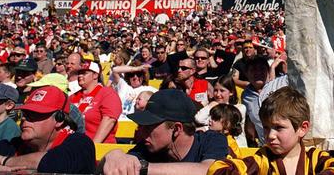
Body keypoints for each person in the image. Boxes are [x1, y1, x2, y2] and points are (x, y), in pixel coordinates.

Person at [207, 86, 334, 175]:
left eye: (279, 128)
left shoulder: (314, 158)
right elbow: (218, 169)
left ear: (302, 128)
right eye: (266, 127)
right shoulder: (262, 160)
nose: (270, 135)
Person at [0, 86, 95, 173]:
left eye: (35, 115)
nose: (25, 119)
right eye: (25, 114)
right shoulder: (17, 144)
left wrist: (3, 161)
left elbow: (54, 163)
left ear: (59, 119)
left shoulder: (80, 143)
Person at [99, 89, 228, 175]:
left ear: (177, 129)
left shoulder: (212, 140)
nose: (142, 131)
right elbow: (120, 162)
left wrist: (143, 168)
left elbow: (208, 170)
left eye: (149, 126)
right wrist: (113, 155)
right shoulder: (148, 147)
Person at [69, 61, 122, 143]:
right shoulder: (72, 97)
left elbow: (109, 119)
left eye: (84, 73)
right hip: (74, 145)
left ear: (95, 75)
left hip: (100, 147)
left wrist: (93, 147)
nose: (80, 76)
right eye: (79, 73)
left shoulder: (107, 93)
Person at [195, 74, 247, 146]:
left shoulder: (239, 108)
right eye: (216, 90)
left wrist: (204, 128)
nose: (218, 94)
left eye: (222, 91)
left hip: (238, 147)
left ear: (231, 92)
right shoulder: (212, 107)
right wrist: (210, 105)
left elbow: (224, 125)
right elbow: (199, 118)